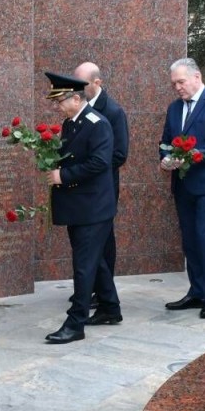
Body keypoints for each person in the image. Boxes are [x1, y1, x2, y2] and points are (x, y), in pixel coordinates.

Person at [43, 71, 121, 343]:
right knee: (94, 261)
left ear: (76, 98)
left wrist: (62, 176)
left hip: (93, 208)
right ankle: (110, 308)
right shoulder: (72, 122)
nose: (57, 107)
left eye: (60, 101)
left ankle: (75, 324)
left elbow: (101, 162)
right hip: (80, 206)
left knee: (83, 266)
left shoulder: (97, 123)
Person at [161, 58, 205, 319]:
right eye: (174, 84)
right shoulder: (174, 108)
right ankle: (197, 291)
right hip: (183, 185)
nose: (177, 87)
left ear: (197, 77)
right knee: (190, 241)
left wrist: (191, 156)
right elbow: (166, 140)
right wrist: (165, 157)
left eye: (181, 81)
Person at [74, 61, 129, 283]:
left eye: (82, 83)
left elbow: (119, 154)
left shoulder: (113, 111)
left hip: (101, 187)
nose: (76, 88)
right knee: (86, 240)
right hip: (84, 186)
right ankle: (90, 286)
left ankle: (103, 290)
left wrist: (89, 168)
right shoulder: (79, 107)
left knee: (102, 239)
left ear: (97, 83)